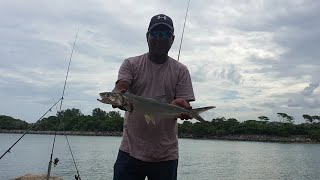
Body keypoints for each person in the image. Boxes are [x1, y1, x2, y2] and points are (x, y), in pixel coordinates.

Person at [112, 14, 195, 180]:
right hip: (130, 151)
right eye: (155, 33)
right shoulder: (131, 64)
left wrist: (182, 106)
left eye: (165, 35)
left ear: (172, 39)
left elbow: (183, 102)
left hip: (166, 155)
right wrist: (117, 94)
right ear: (147, 36)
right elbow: (121, 85)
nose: (160, 39)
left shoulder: (181, 70)